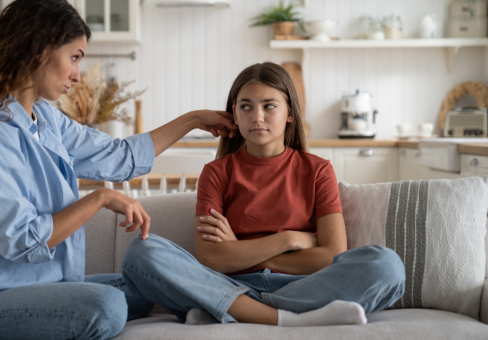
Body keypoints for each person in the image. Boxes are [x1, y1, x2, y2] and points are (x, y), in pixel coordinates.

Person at [0, 0, 236, 339]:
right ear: (40, 49)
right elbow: (22, 240)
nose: (77, 74)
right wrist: (99, 199)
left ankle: (244, 302)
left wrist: (194, 120)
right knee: (107, 307)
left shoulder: (45, 118)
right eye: (74, 57)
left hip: (42, 286)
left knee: (146, 284)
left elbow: (118, 156)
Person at [121, 62, 406, 327]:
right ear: (234, 114)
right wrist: (289, 239)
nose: (257, 117)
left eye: (269, 106)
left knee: (387, 265)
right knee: (142, 252)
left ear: (290, 113)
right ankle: (290, 318)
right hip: (230, 284)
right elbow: (211, 259)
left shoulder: (318, 170)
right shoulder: (216, 172)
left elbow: (331, 255)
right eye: (245, 107)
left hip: (301, 286)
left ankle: (232, 311)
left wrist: (243, 252)